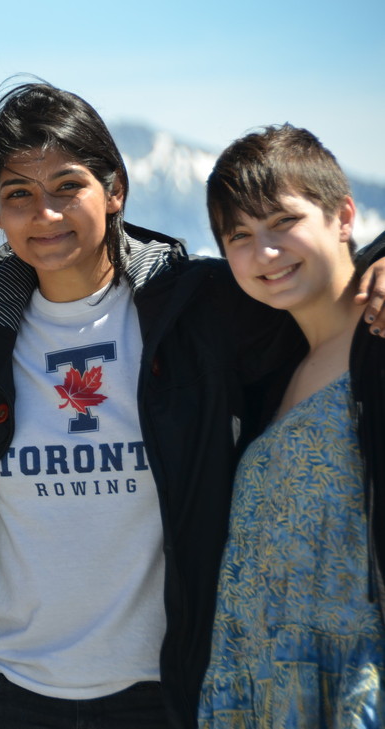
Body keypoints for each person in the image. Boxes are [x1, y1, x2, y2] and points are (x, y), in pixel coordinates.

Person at [0, 80, 385, 729]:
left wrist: (380, 258)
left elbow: (308, 284)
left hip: (164, 690)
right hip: (9, 691)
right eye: (18, 195)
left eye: (67, 187)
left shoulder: (197, 308)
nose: (46, 214)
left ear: (114, 190)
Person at [196, 125, 385, 727]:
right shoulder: (269, 369)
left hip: (356, 681)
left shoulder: (380, 342)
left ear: (343, 215)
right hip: (262, 687)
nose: (265, 253)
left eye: (283, 222)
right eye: (240, 236)